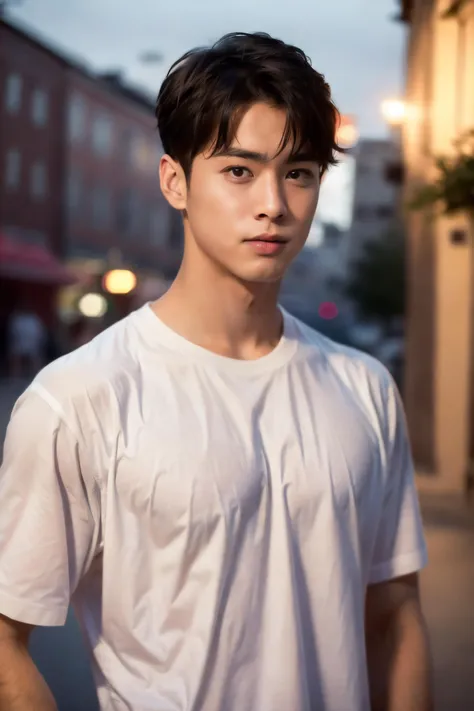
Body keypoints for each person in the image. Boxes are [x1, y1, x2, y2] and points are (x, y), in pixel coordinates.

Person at [0, 32, 432, 711]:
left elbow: (395, 613)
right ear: (175, 181)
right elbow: (5, 639)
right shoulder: (77, 397)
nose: (274, 204)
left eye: (300, 172)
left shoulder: (366, 388)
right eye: (239, 170)